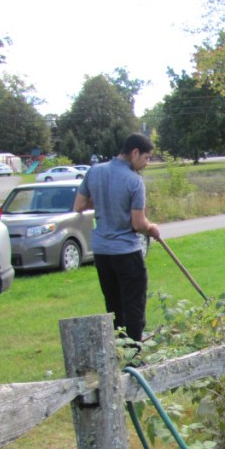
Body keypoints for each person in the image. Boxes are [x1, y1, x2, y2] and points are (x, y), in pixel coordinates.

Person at [73, 133, 161, 343]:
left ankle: (119, 350)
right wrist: (152, 228)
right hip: (126, 252)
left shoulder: (94, 172)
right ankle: (134, 355)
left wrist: (105, 201)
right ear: (134, 152)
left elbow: (79, 205)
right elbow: (138, 223)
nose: (147, 163)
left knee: (113, 304)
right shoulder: (134, 181)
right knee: (134, 304)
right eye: (146, 158)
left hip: (102, 252)